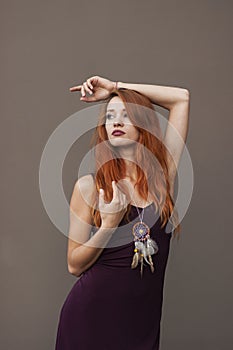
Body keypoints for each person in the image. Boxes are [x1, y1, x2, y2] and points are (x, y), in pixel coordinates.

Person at [55, 75, 190, 349]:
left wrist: (116, 88)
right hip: (90, 318)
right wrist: (109, 225)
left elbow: (181, 98)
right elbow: (74, 264)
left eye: (127, 116)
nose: (116, 122)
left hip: (142, 321)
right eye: (110, 116)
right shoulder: (91, 187)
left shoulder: (162, 180)